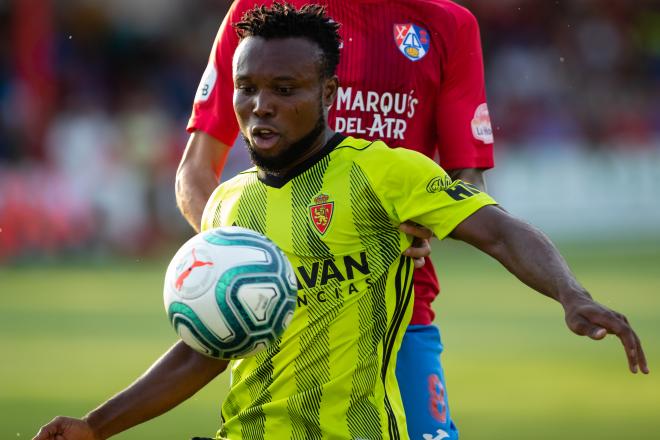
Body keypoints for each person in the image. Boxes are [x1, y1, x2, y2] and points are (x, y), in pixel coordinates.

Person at [34, 4, 648, 440]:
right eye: (249, 90)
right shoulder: (235, 184)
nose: (260, 104)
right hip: (257, 348)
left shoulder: (410, 112)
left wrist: (569, 291)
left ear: (329, 89)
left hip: (400, 313)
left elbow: (485, 214)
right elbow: (203, 345)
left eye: (283, 89)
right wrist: (238, 268)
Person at [177, 1, 494, 437]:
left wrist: (431, 221)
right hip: (275, 317)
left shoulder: (447, 24)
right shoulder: (259, 13)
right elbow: (194, 171)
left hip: (395, 316)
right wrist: (242, 265)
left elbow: (468, 182)